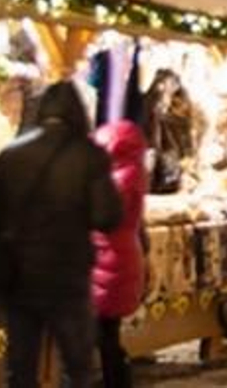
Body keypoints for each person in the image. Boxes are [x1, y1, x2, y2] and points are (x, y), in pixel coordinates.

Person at [0, 81, 123, 388]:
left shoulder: (11, 154)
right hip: (69, 274)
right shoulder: (90, 155)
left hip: (20, 274)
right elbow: (106, 217)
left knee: (21, 367)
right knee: (77, 367)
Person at [92, 121, 147, 388]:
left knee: (102, 335)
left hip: (108, 262)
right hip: (118, 258)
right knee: (106, 335)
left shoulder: (117, 180)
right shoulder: (131, 174)